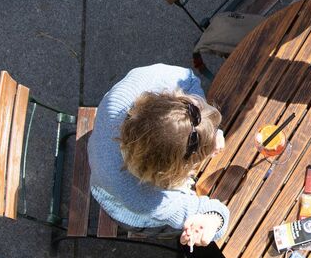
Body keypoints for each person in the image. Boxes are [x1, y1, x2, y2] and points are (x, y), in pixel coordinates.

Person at [88, 64, 229, 248]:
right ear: (170, 172)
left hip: (101, 156)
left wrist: (205, 129)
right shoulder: (148, 199)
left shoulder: (123, 96)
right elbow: (216, 214)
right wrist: (210, 223)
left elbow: (189, 78)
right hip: (123, 207)